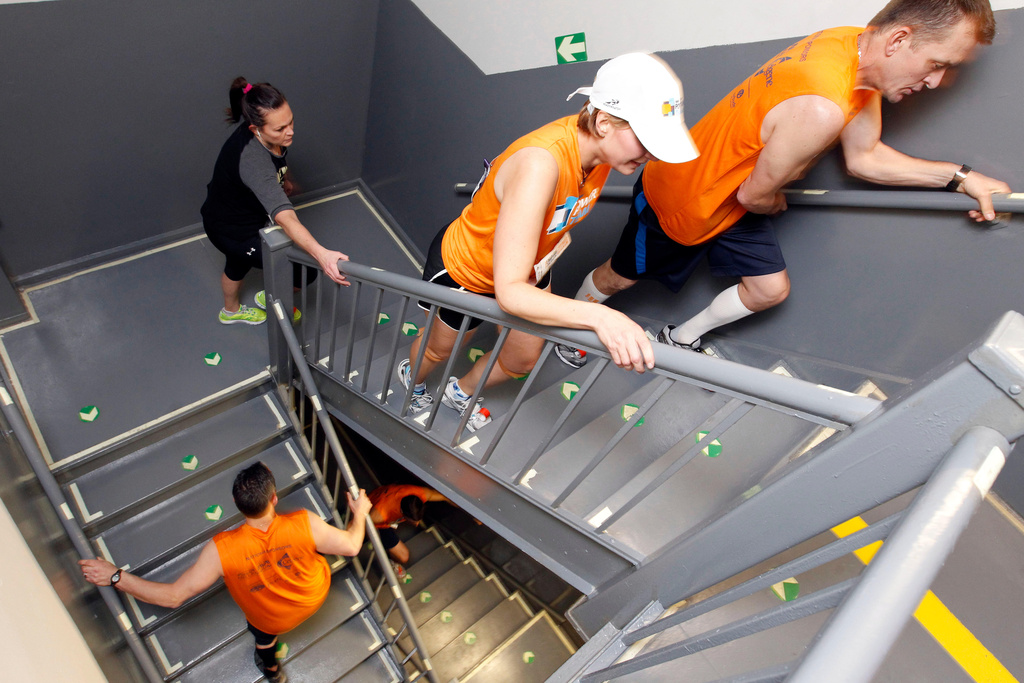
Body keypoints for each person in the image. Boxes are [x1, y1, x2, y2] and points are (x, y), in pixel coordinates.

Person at [556, 0, 1011, 366]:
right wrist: (772, 201)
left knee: (768, 289)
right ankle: (570, 333)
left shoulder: (851, 47)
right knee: (617, 279)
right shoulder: (821, 105)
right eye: (936, 63)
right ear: (898, 40)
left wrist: (961, 178)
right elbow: (757, 195)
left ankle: (679, 339)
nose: (936, 81)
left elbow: (864, 156)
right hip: (681, 197)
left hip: (736, 195)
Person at [398, 53, 699, 430]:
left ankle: (460, 391)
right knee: (439, 349)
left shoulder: (604, 155)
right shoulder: (542, 164)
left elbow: (556, 217)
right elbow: (509, 293)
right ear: (604, 122)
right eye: (646, 138)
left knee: (522, 359)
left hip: (528, 268)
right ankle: (414, 378)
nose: (651, 152)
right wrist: (601, 316)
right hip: (468, 272)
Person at [80, 463, 372, 683]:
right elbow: (351, 546)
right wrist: (359, 513)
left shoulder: (221, 550)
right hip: (312, 596)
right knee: (315, 544)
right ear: (273, 499)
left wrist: (115, 576)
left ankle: (272, 671)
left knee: (264, 637)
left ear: (236, 504)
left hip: (271, 619)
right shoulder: (305, 523)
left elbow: (172, 597)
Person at [201, 77, 349, 326]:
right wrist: (322, 255)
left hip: (234, 216)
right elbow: (286, 217)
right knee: (306, 270)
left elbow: (278, 158)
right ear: (255, 129)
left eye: (290, 122)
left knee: (237, 263)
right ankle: (260, 301)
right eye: (280, 129)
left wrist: (284, 179)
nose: (289, 131)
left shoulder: (270, 135)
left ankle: (230, 310)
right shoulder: (252, 160)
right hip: (230, 228)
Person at [368, 484, 451, 569]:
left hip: (385, 512)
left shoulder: (420, 493)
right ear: (402, 513)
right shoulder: (379, 515)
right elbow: (361, 522)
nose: (416, 524)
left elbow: (446, 497)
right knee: (403, 557)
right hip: (377, 524)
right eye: (413, 521)